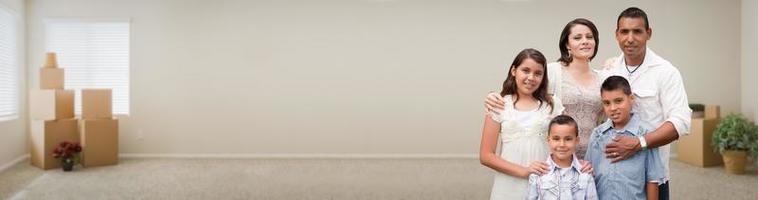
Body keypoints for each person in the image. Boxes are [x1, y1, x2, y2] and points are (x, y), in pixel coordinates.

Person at [601, 7, 692, 199]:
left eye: (637, 31)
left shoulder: (666, 72)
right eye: (624, 32)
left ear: (648, 33)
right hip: (613, 174)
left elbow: (681, 121)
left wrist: (638, 143)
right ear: (617, 35)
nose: (630, 38)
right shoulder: (608, 71)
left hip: (652, 175)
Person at [485, 18, 603, 159]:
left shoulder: (604, 76)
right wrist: (493, 95)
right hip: (556, 155)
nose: (585, 41)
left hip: (593, 154)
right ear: (567, 44)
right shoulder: (553, 71)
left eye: (590, 37)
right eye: (578, 37)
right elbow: (525, 87)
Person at [480, 48, 564, 200]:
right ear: (514, 71)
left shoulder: (552, 105)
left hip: (544, 184)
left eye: (538, 73)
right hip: (507, 187)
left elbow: (564, 143)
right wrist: (524, 171)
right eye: (525, 70)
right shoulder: (499, 104)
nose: (531, 77)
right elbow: (486, 155)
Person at [586, 75, 664, 200]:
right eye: (607, 103)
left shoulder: (646, 134)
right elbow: (589, 174)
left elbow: (653, 179)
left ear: (631, 99)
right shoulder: (597, 134)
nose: (613, 108)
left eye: (618, 101)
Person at [525, 115, 597, 200]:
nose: (562, 144)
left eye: (568, 139)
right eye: (556, 139)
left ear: (576, 141)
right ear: (549, 140)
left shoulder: (585, 173)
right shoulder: (538, 173)